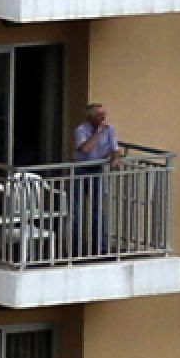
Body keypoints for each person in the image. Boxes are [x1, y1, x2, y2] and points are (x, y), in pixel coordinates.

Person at [69, 103, 122, 256]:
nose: (103, 118)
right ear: (90, 117)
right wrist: (98, 132)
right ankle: (74, 248)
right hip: (80, 169)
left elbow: (115, 148)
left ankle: (101, 247)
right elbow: (85, 149)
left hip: (97, 169)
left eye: (104, 114)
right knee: (76, 211)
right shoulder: (81, 130)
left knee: (98, 210)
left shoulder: (110, 129)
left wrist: (116, 159)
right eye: (99, 115)